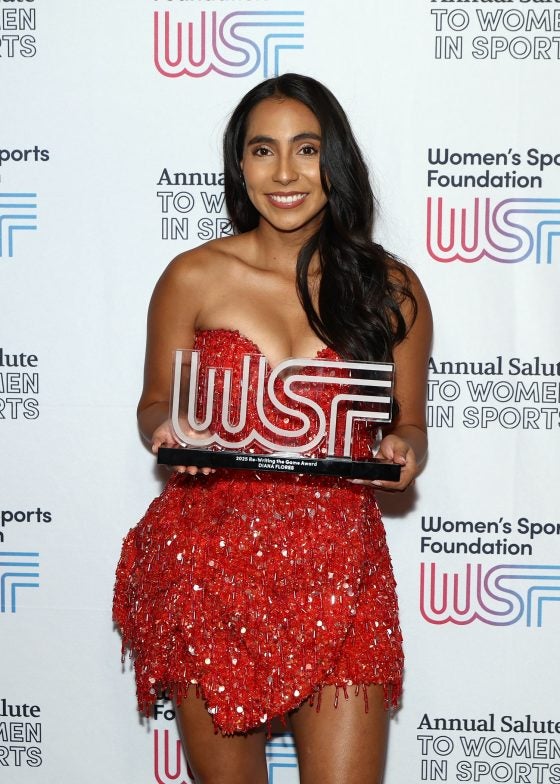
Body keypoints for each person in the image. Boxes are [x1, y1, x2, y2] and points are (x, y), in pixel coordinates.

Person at [114, 73, 432, 784]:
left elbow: (410, 423)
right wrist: (171, 428)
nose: (285, 173)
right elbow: (153, 403)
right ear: (241, 164)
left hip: (341, 570)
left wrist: (403, 447)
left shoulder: (391, 288)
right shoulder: (193, 276)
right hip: (208, 569)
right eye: (263, 150)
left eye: (306, 149)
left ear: (335, 160)